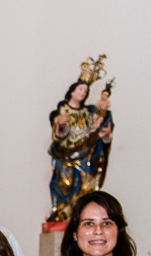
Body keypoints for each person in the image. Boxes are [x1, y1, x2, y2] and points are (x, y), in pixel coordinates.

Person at [46, 78, 114, 224]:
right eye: (80, 89)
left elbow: (96, 135)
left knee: (86, 187)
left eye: (86, 91)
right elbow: (59, 136)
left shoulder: (88, 113)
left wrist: (106, 135)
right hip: (65, 155)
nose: (83, 93)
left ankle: (81, 217)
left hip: (85, 158)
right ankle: (63, 213)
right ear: (72, 91)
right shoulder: (62, 111)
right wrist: (61, 125)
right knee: (63, 183)